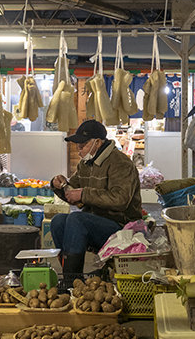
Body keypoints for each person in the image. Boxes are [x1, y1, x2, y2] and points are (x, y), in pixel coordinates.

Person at [50, 119, 142, 283]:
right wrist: (59, 185)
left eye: (83, 145)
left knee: (77, 219)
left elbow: (120, 200)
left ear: (98, 142)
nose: (79, 150)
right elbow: (73, 190)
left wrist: (83, 195)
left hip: (122, 227)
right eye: (78, 146)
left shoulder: (120, 163)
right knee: (58, 221)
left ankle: (71, 281)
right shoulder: (86, 163)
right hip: (95, 222)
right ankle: (70, 275)